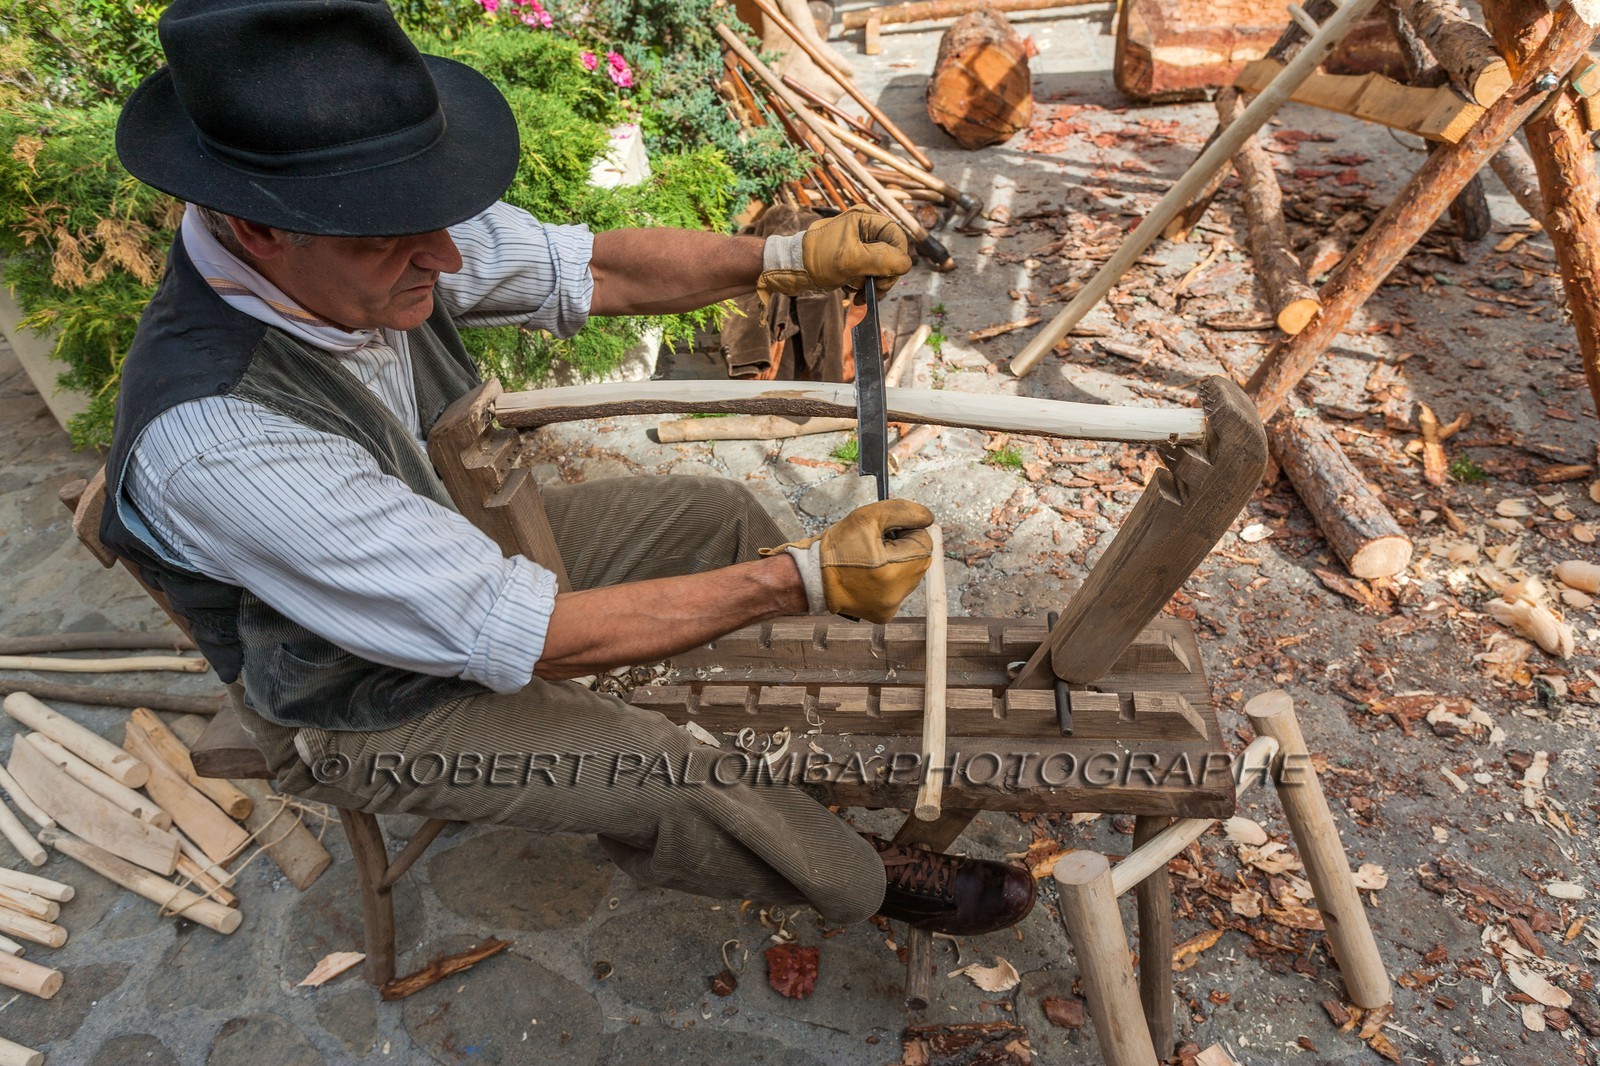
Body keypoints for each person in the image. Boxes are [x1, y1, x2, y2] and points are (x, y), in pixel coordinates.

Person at [103, 0, 1035, 936]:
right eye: (392, 236)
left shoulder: (358, 244)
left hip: (445, 561)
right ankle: (852, 875)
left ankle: (766, 741)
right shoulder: (222, 436)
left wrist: (783, 257)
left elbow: (596, 270)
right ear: (259, 230)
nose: (446, 256)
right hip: (358, 704)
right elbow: (530, 634)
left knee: (712, 512)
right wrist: (798, 578)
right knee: (666, 773)